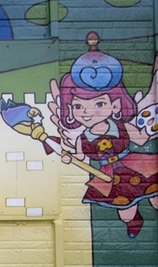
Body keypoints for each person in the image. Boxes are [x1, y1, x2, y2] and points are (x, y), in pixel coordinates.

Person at [49, 33, 158, 238]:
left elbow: (141, 138)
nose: (87, 112)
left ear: (115, 105)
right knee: (126, 211)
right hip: (109, 175)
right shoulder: (83, 138)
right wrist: (69, 158)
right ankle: (134, 220)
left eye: (99, 103)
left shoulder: (122, 126)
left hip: (134, 164)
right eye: (78, 106)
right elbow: (80, 156)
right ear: (70, 109)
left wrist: (149, 130)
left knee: (154, 195)